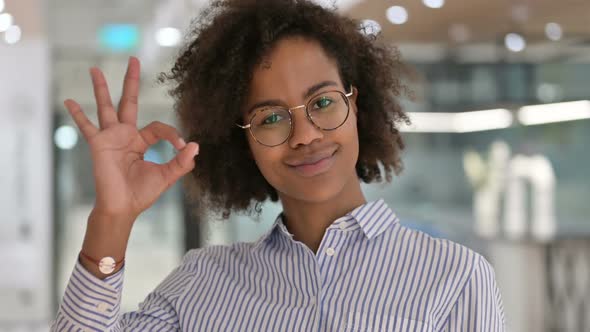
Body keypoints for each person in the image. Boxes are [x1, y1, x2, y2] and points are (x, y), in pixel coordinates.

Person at [50, 0, 506, 330]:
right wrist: (112, 218)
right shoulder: (203, 284)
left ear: (357, 107)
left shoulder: (454, 277)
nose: (305, 134)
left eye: (323, 102)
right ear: (241, 142)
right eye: (270, 117)